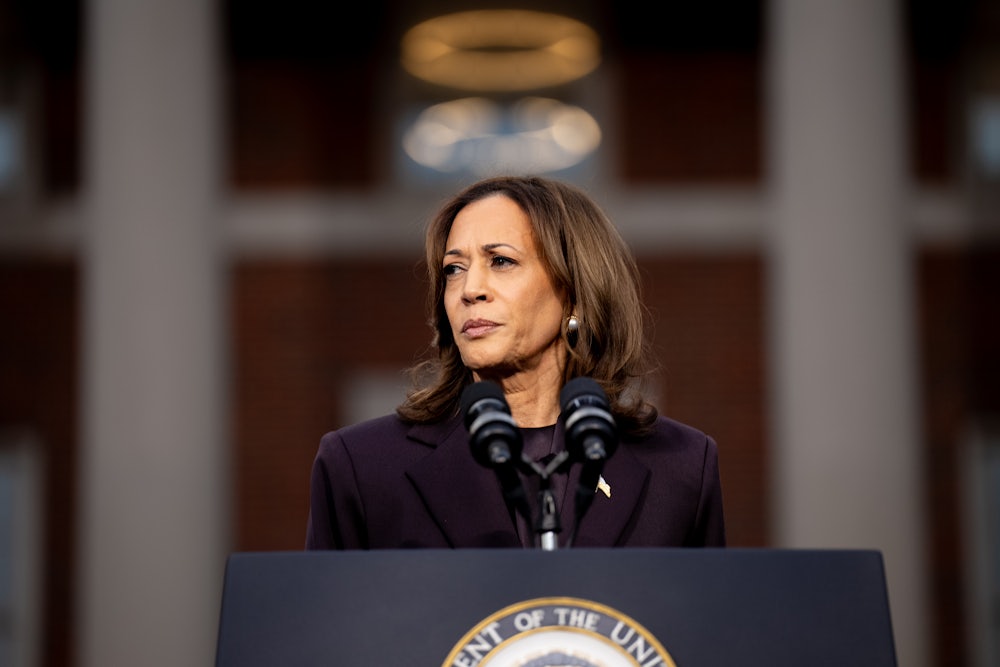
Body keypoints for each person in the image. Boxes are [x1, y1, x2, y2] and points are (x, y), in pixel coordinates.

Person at [305, 175, 726, 550]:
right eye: (454, 269)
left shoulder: (682, 466)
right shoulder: (361, 465)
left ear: (574, 292)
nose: (470, 289)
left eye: (501, 261)